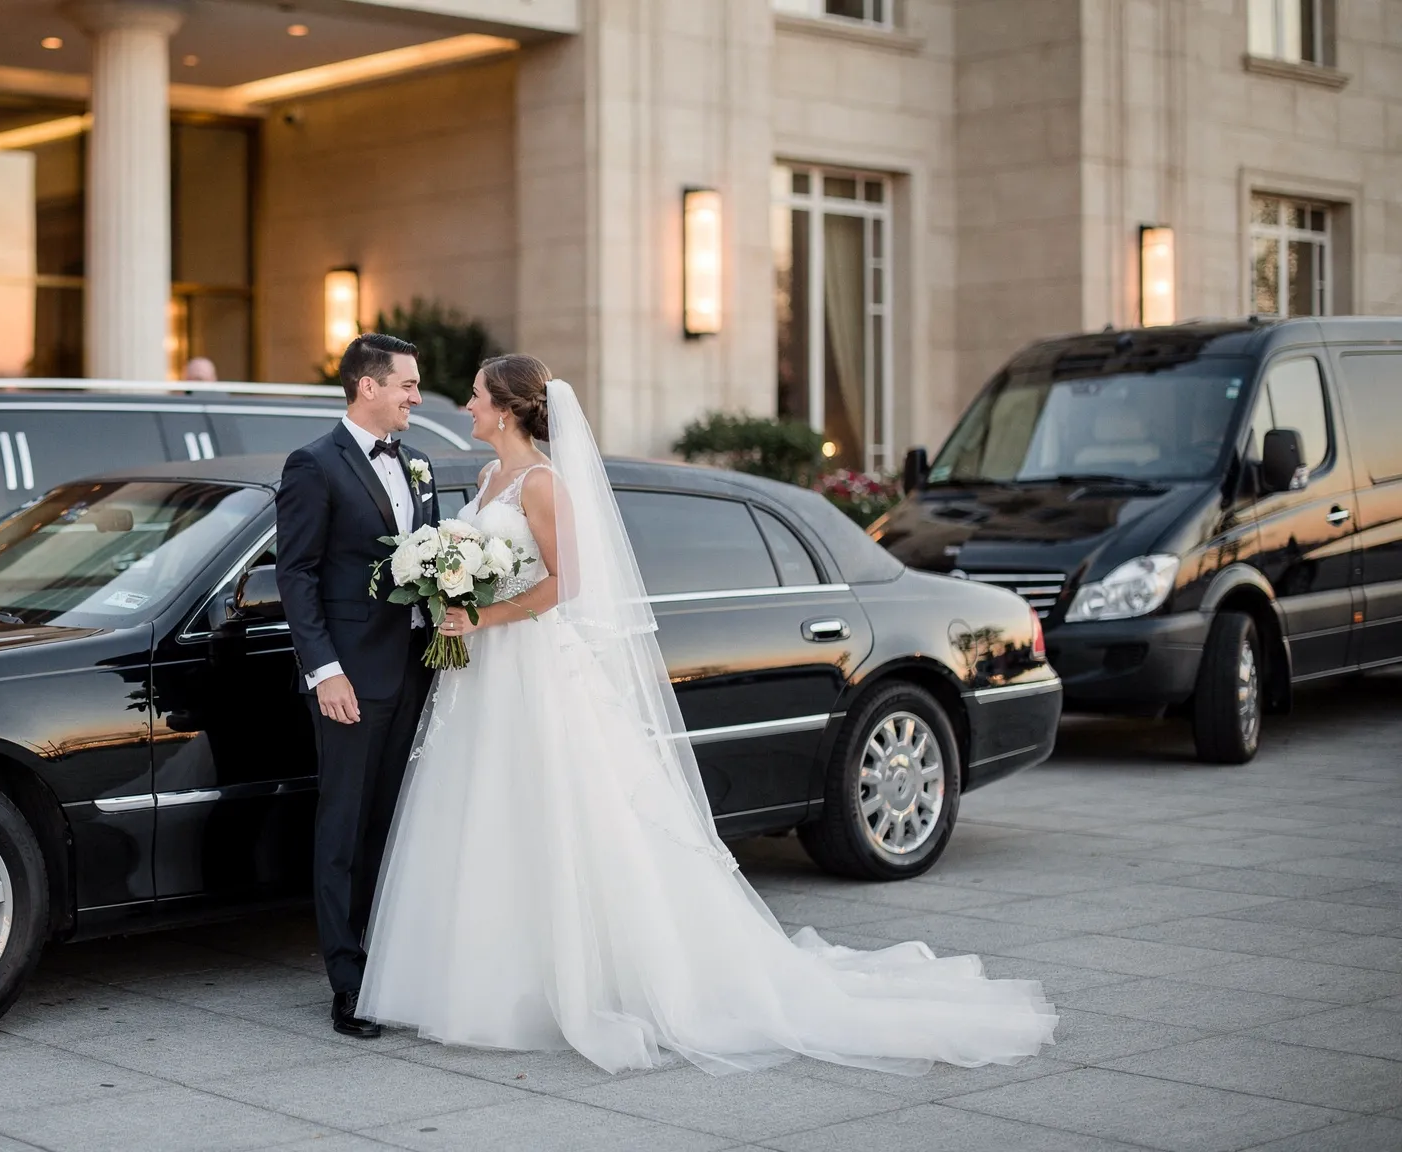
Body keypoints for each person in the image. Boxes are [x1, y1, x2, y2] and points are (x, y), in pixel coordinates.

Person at [357, 354, 1059, 1075]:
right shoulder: (487, 478)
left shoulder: (543, 483)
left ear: (505, 408)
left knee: (563, 816)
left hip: (532, 666)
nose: (465, 406)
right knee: (488, 815)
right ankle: (485, 984)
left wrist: (484, 615)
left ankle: (576, 985)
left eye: (474, 396)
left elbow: (570, 584)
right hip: (485, 677)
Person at [274, 333, 438, 1039]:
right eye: (406, 384)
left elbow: (429, 561)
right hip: (349, 678)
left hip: (415, 671)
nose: (416, 397)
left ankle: (392, 966)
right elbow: (297, 574)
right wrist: (325, 670)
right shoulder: (313, 464)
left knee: (390, 825)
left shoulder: (420, 464)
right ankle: (349, 984)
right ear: (367, 387)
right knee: (342, 828)